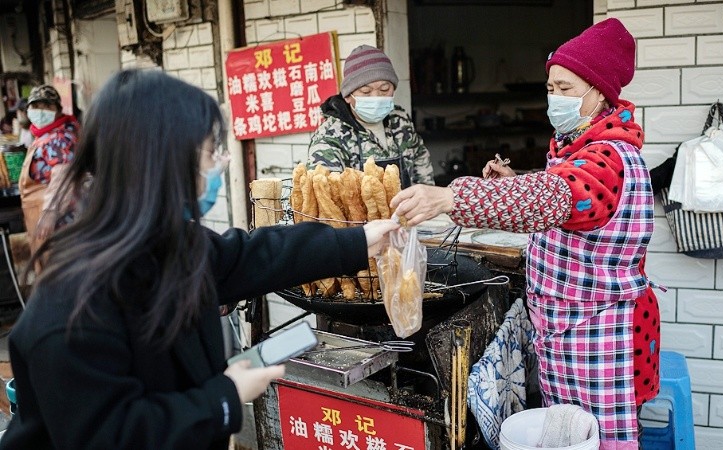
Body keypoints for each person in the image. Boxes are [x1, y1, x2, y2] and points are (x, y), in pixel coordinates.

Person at [0, 69, 399, 450]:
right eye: (208, 153)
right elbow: (112, 437)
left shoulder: (171, 245)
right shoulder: (73, 305)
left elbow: (254, 255)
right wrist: (224, 396)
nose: (215, 167)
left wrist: (359, 240)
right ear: (163, 162)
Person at [391, 19, 659, 449]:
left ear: (600, 93)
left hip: (598, 340)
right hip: (569, 333)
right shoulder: (582, 146)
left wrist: (449, 198)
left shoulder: (609, 156)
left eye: (567, 88)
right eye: (551, 86)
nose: (554, 97)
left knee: (596, 441)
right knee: (566, 435)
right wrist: (513, 179)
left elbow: (555, 196)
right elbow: (569, 203)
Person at [308, 45, 434, 187]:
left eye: (384, 89)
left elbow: (420, 159)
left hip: (410, 209)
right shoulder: (330, 136)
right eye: (366, 91)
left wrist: (425, 203)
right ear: (348, 96)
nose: (377, 97)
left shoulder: (400, 120)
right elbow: (328, 195)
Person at [18, 85, 80, 255]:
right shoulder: (44, 136)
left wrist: (51, 211)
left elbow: (63, 175)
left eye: (47, 106)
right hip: (46, 211)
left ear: (58, 110)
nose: (41, 111)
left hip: (61, 216)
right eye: (36, 106)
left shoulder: (59, 138)